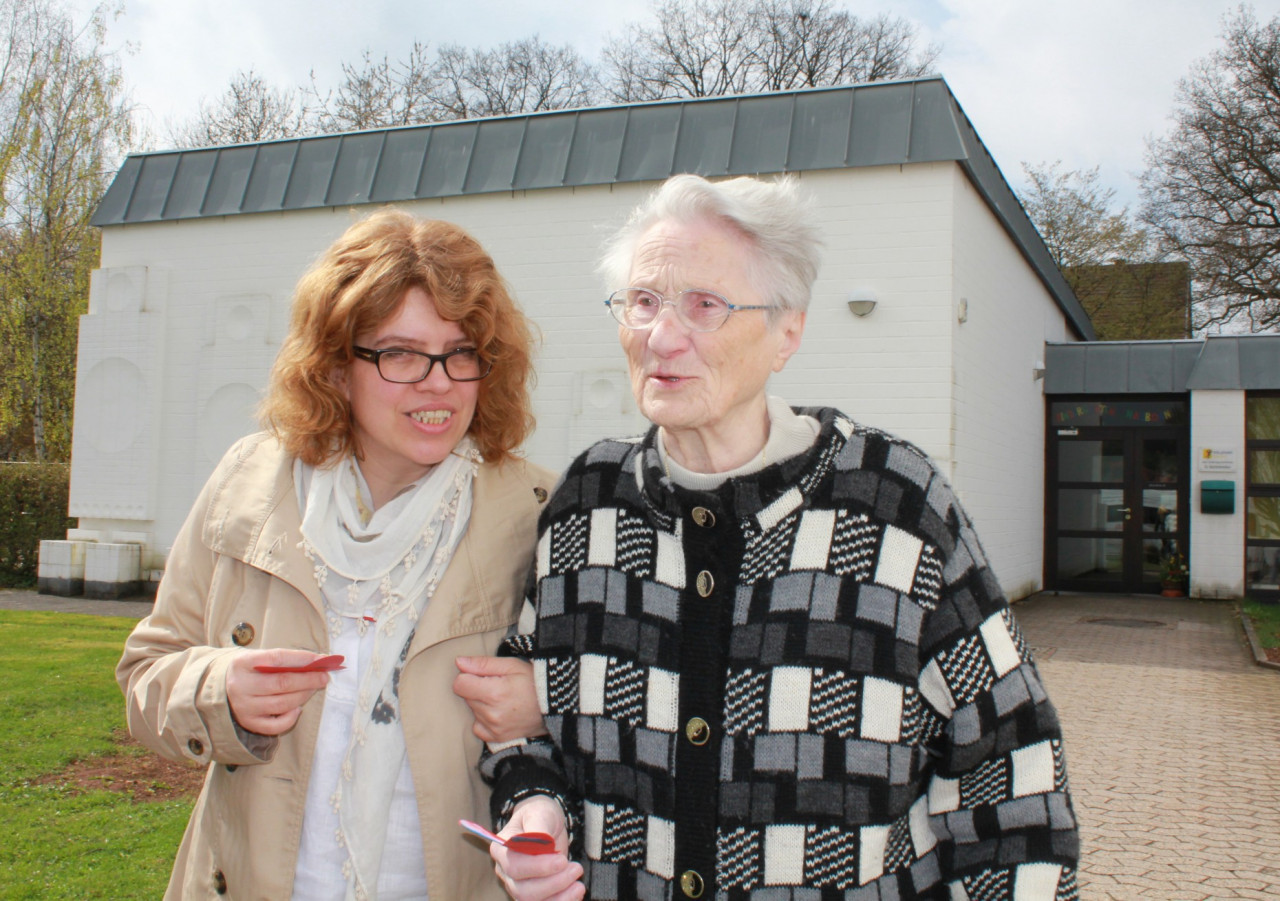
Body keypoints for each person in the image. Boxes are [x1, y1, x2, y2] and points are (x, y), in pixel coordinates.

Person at [472, 174, 1080, 900]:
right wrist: (535, 812)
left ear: (787, 332)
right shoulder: (587, 504)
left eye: (705, 305)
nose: (661, 337)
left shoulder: (894, 504)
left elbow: (1013, 776)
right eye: (642, 301)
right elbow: (524, 724)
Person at [117, 209, 555, 900]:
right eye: (401, 353)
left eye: (462, 351)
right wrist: (220, 689)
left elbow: (616, 720)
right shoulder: (248, 484)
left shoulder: (537, 512)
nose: (438, 382)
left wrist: (551, 701)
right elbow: (145, 675)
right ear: (335, 365)